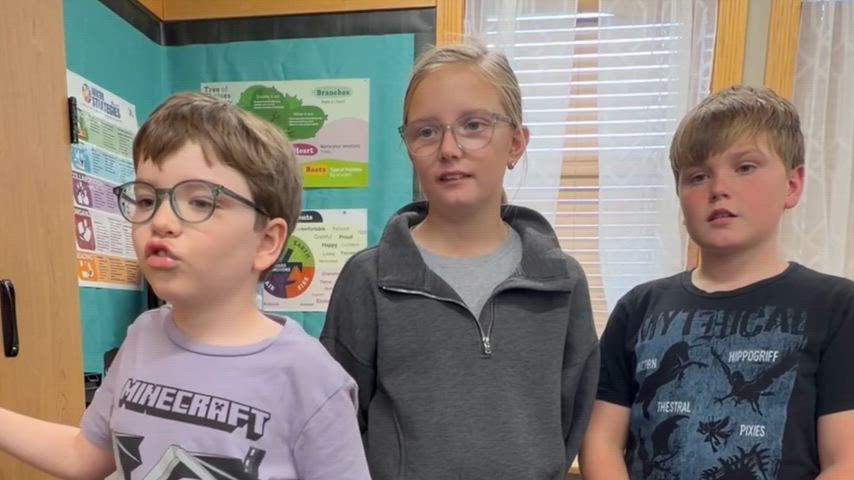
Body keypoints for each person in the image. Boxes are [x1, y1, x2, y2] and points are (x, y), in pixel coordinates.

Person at [0, 92, 370, 480]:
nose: (160, 221)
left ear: (266, 241)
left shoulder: (311, 377)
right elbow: (85, 455)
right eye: (146, 200)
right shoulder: (142, 336)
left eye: (200, 202)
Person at [320, 41, 600, 480]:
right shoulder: (369, 279)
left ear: (516, 143)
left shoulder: (562, 282)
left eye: (473, 125)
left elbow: (571, 421)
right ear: (408, 147)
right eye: (426, 132)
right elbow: (337, 424)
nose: (449, 148)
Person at [579, 85, 854, 479]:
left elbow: (846, 460)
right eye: (697, 176)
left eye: (745, 167)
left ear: (792, 185)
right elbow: (601, 440)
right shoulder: (638, 308)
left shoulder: (837, 306)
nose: (719, 188)